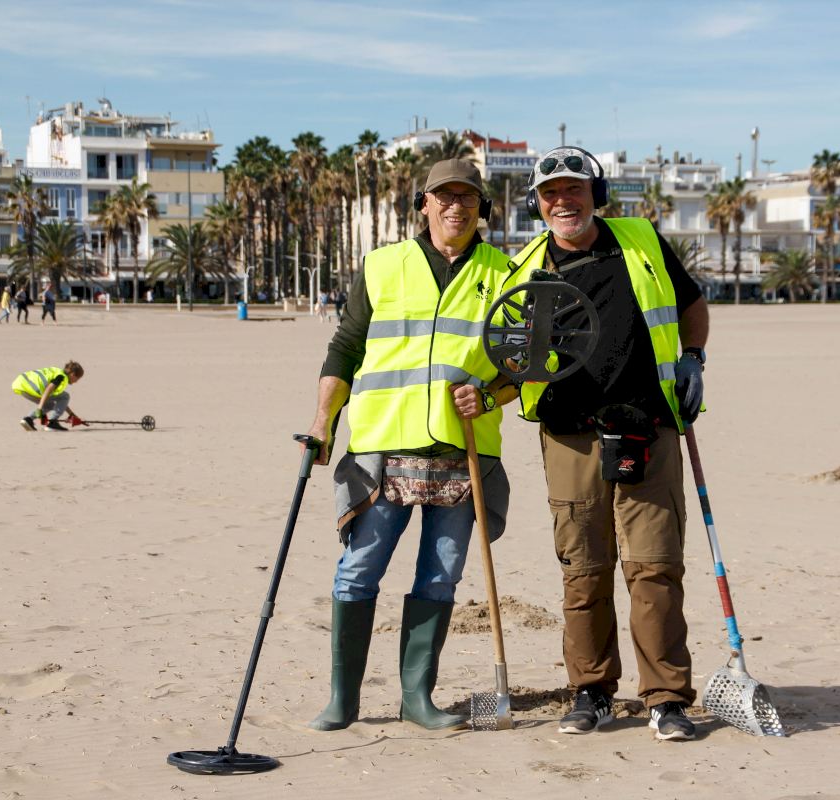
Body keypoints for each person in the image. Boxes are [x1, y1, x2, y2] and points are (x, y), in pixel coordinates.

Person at [301, 158, 524, 732]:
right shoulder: (382, 265)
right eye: (444, 196)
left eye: (468, 197)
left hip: (463, 449)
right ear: (423, 204)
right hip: (383, 445)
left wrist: (490, 395)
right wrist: (323, 421)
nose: (456, 206)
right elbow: (345, 348)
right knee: (358, 571)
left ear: (482, 208)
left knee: (439, 578)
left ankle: (417, 698)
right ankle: (343, 701)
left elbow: (524, 365)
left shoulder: (506, 273)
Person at [510, 146, 709, 741]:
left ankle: (666, 698)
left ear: (595, 195)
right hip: (569, 436)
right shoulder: (523, 269)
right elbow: (508, 355)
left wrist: (694, 359)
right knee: (584, 570)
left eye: (574, 189)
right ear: (537, 204)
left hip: (649, 425)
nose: (563, 202)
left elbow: (692, 304)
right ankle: (591, 691)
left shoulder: (640, 241)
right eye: (550, 194)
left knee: (655, 569)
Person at [12, 361, 84, 431]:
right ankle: (52, 423)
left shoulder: (57, 371)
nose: (76, 381)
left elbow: (61, 402)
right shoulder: (61, 377)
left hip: (22, 385)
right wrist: (40, 408)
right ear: (72, 374)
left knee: (49, 405)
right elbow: (48, 390)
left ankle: (28, 420)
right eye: (77, 378)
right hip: (32, 387)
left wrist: (71, 414)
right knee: (65, 396)